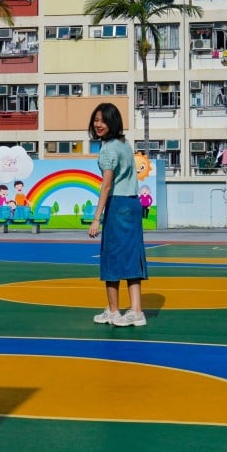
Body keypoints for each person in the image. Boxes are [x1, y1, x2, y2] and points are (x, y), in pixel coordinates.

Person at [87, 103, 148, 327]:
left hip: (117, 204)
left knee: (111, 257)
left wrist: (96, 218)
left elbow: (106, 185)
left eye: (103, 120)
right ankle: (136, 310)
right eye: (96, 120)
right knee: (131, 255)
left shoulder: (108, 149)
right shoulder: (124, 143)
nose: (98, 124)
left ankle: (114, 310)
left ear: (112, 122)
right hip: (132, 203)